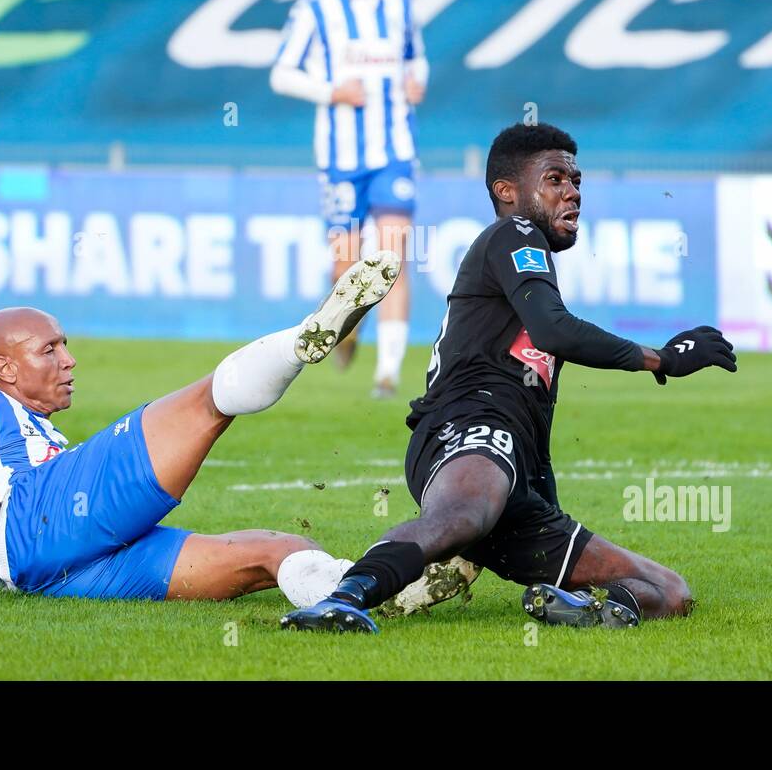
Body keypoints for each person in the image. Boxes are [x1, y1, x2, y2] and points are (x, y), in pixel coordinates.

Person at [282, 123, 738, 634]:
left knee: (669, 593)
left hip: (514, 469)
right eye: (556, 179)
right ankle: (340, 599)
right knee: (465, 515)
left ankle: (574, 608)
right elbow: (554, 329)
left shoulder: (529, 261)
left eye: (577, 181)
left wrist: (548, 505)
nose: (573, 192)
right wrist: (663, 360)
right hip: (466, 428)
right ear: (508, 192)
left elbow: (534, 404)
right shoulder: (514, 234)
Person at [0, 255, 401, 606]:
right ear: (5, 368)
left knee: (272, 551)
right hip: (32, 525)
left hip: (69, 570)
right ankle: (304, 339)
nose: (68, 360)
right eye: (49, 350)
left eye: (65, 346)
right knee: (205, 406)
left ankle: (357, 597)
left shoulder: (45, 436)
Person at [270, 0, 427, 399]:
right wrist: (331, 91)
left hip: (394, 153)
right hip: (340, 158)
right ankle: (349, 325)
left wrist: (418, 81)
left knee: (394, 258)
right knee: (346, 263)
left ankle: (388, 373)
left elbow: (416, 58)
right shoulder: (314, 11)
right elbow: (281, 74)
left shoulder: (399, 6)